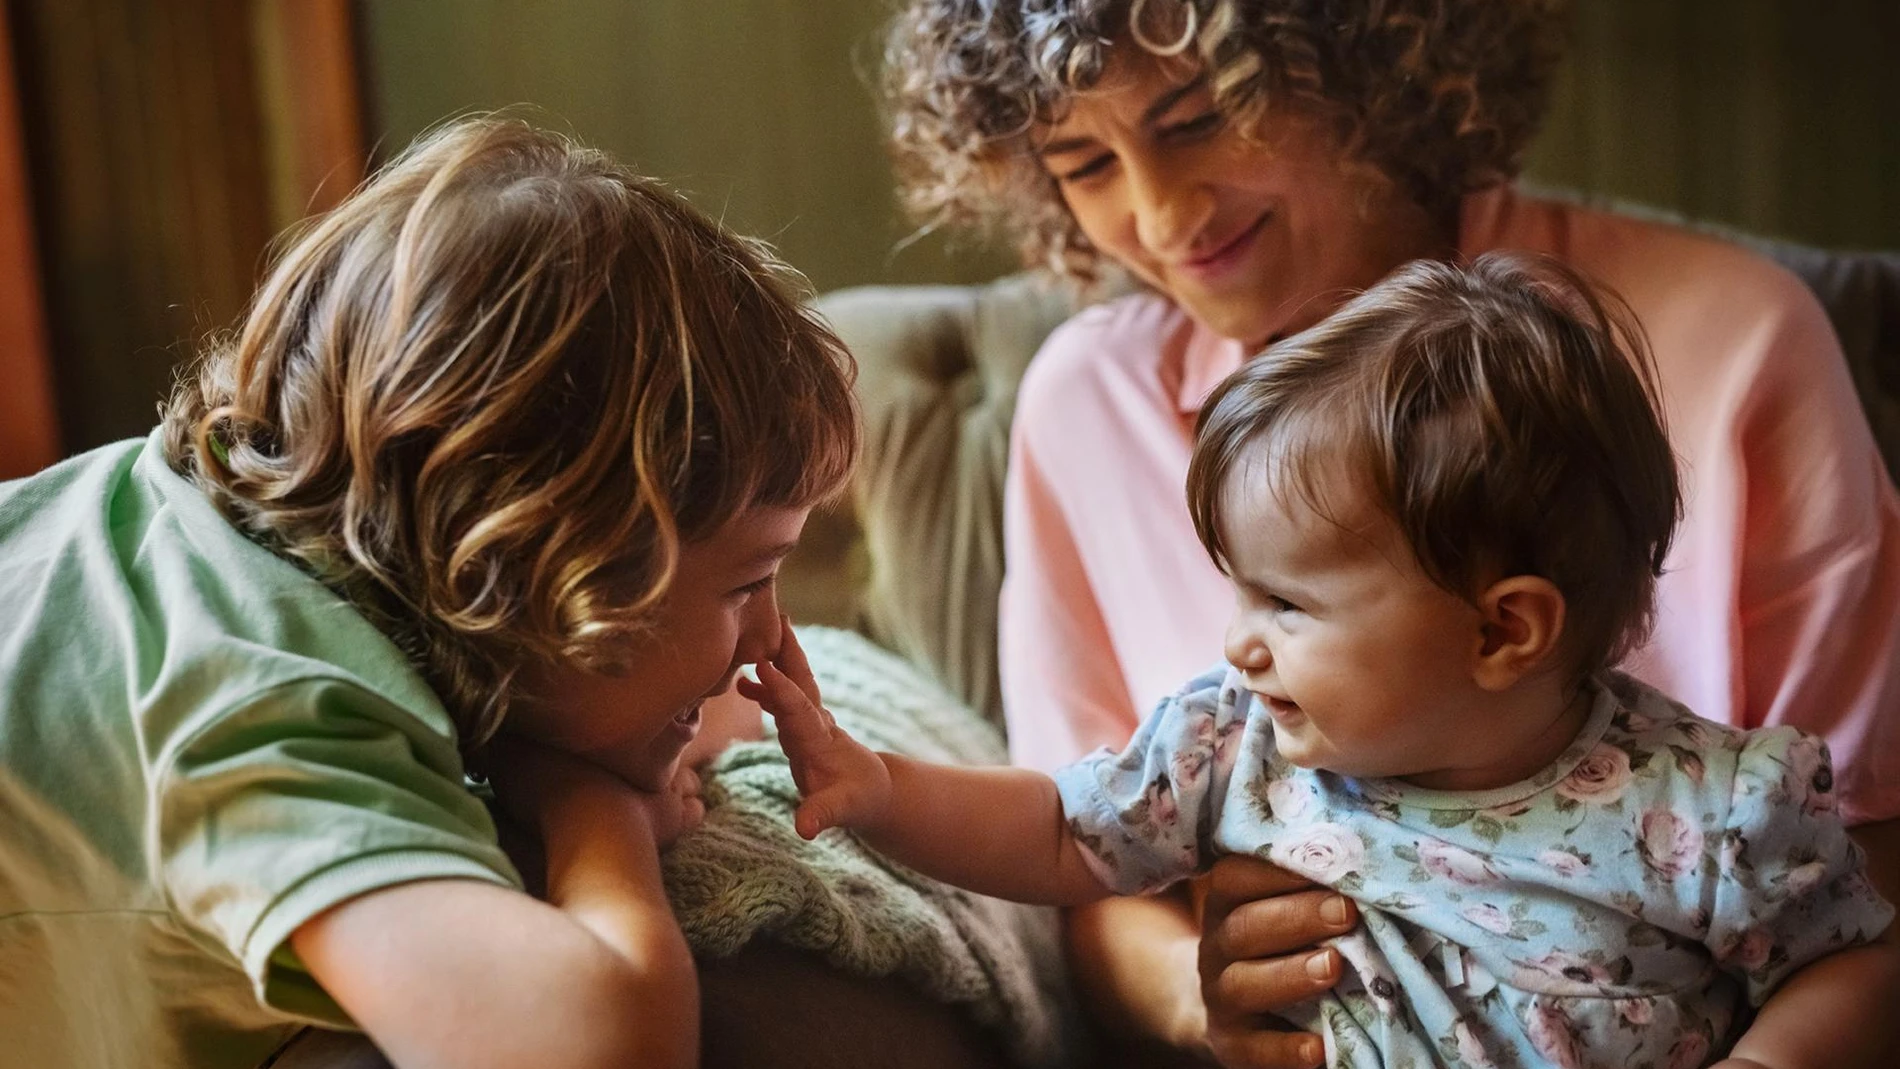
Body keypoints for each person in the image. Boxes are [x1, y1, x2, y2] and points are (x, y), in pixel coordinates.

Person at [881, 1, 1900, 1065]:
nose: (1162, 213)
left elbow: (1859, 885)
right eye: (1084, 165)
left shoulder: (1739, 340)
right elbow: (1082, 857)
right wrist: (1209, 1001)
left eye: (1199, 119)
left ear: (1358, 66)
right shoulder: (1084, 404)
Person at [749, 254, 1895, 1069]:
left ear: (1502, 631)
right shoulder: (1230, 744)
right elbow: (1057, 831)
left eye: (1287, 604)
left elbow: (1851, 965)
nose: (1237, 641)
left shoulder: (1707, 812)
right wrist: (880, 788)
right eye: (1240, 590)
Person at [0, 116, 858, 1069]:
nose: (768, 641)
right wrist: (592, 806)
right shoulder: (266, 701)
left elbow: (687, 709)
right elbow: (598, 1049)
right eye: (750, 583)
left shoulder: (187, 523)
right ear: (544, 568)